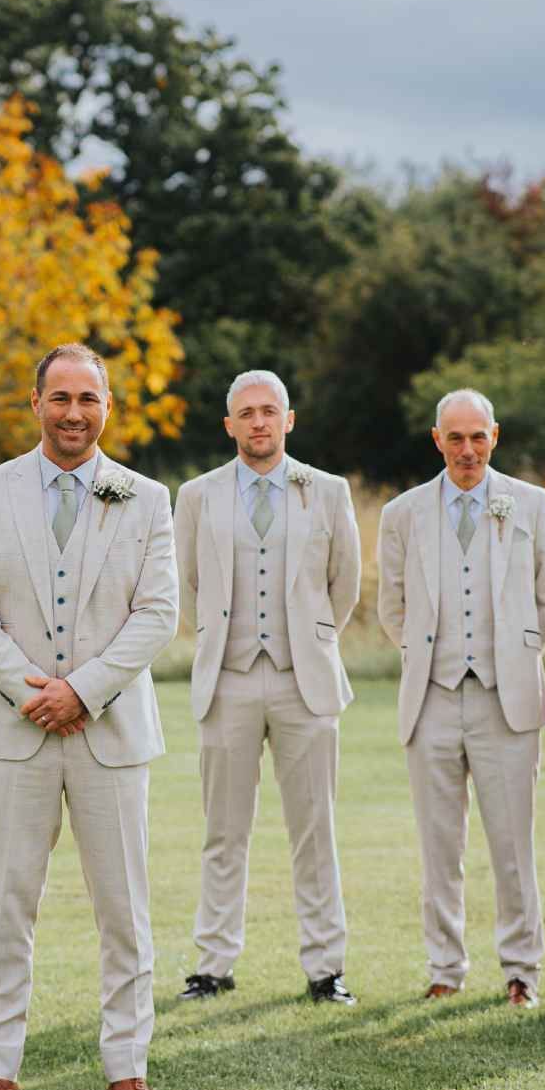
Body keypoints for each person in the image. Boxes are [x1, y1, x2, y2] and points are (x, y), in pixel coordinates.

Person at [0, 343, 178, 1090]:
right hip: (13, 732)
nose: (74, 413)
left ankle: (127, 1063)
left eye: (88, 399)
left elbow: (158, 614)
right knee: (8, 904)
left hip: (111, 735)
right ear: (36, 402)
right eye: (61, 397)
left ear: (108, 406)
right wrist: (31, 692)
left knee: (124, 907)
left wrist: (83, 691)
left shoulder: (147, 498)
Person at [173, 369, 362, 1005]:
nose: (259, 422)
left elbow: (344, 583)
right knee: (223, 833)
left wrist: (310, 640)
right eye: (247, 412)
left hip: (303, 682)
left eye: (269, 410)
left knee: (315, 830)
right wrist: (222, 640)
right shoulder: (196, 496)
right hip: (226, 680)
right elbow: (188, 581)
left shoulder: (328, 491)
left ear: (289, 419)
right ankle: (213, 965)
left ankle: (326, 969)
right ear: (229, 424)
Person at [375, 387, 545, 1008]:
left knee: (512, 847)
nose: (467, 450)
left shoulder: (530, 504)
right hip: (430, 698)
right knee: (439, 847)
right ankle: (445, 967)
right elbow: (392, 605)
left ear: (494, 436)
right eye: (454, 438)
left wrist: (514, 655)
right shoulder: (402, 513)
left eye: (478, 436)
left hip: (507, 699)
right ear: (437, 440)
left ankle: (522, 971)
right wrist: (430, 657)